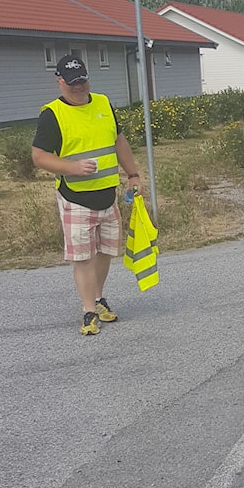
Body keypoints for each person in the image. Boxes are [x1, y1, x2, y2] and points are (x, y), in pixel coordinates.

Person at [31, 52, 144, 336]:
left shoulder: (104, 103)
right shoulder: (52, 114)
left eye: (82, 80)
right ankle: (88, 311)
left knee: (105, 252)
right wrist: (72, 167)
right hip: (75, 198)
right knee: (82, 257)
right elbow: (39, 156)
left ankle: (98, 298)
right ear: (60, 82)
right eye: (72, 82)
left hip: (108, 196)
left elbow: (118, 141)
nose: (78, 87)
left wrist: (133, 175)